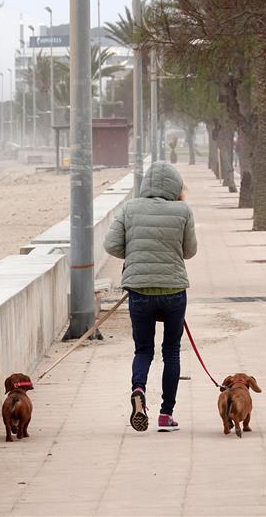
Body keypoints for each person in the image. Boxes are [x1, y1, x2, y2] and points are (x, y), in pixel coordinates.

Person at [103, 161, 197, 432]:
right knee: (171, 352)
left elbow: (111, 245)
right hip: (173, 292)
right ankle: (166, 415)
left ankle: (139, 389)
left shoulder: (130, 208)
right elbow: (189, 251)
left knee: (143, 350)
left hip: (140, 291)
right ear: (176, 186)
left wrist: (136, 256)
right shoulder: (182, 211)